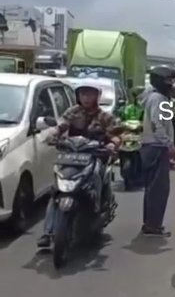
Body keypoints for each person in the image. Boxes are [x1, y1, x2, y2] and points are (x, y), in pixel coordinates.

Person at [37, 81, 122, 248]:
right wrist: (52, 136)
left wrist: (112, 143)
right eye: (83, 94)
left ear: (97, 96)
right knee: (57, 189)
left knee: (97, 174)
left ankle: (97, 206)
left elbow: (117, 134)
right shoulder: (72, 112)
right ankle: (47, 233)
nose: (86, 98)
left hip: (95, 156)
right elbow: (60, 126)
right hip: (72, 155)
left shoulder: (104, 116)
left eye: (90, 94)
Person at [139, 65, 175, 236]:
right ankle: (153, 225)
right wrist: (169, 145)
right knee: (159, 188)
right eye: (169, 81)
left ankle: (151, 223)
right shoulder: (158, 99)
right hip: (156, 146)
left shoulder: (152, 96)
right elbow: (157, 124)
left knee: (152, 188)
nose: (171, 84)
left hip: (151, 146)